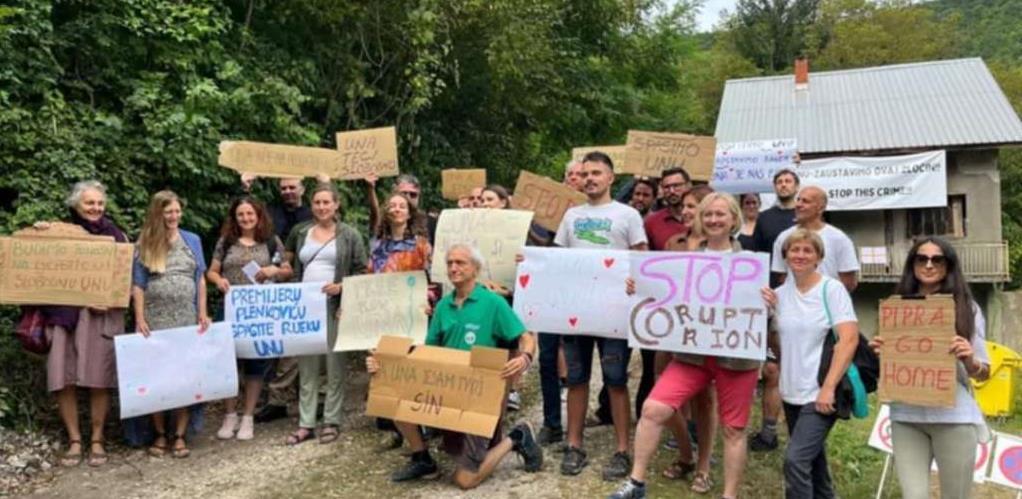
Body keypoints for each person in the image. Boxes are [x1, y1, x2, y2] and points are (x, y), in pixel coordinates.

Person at [611, 192, 765, 499]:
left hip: (736, 358)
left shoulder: (750, 263)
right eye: (707, 214)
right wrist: (640, 286)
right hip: (692, 354)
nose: (713, 220)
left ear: (734, 219)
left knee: (733, 428)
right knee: (654, 409)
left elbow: (759, 314)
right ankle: (636, 484)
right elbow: (664, 297)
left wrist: (768, 304)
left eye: (720, 214)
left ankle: (729, 494)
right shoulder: (685, 261)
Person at [366, 244, 543, 489]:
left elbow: (526, 337)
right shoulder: (442, 306)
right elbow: (426, 353)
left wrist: (524, 358)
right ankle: (422, 458)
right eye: (450, 263)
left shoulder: (493, 303)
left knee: (464, 479)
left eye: (461, 263)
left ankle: (517, 436)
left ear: (476, 269)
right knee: (396, 392)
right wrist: (384, 365)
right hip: (448, 391)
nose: (453, 268)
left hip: (481, 397)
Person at [869, 238, 990, 499]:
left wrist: (969, 359)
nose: (929, 264)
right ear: (913, 264)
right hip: (906, 417)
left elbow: (984, 371)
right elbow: (891, 365)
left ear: (949, 265)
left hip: (954, 418)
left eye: (937, 259)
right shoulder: (896, 307)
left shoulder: (967, 309)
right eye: (921, 258)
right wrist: (881, 350)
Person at [554, 151, 648, 480]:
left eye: (597, 172)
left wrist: (638, 284)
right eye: (586, 173)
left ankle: (623, 450)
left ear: (610, 178)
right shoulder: (570, 216)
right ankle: (574, 445)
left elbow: (641, 260)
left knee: (616, 381)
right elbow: (558, 262)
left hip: (615, 314)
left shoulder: (628, 215)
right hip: (577, 312)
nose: (591, 178)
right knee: (577, 380)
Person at [32, 180, 128, 467]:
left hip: (101, 316)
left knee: (100, 378)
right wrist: (35, 235)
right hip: (64, 316)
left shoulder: (116, 236)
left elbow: (124, 280)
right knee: (64, 379)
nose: (96, 208)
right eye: (90, 203)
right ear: (76, 205)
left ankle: (97, 439)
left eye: (99, 203)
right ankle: (75, 440)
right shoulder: (57, 233)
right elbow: (37, 266)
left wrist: (109, 299)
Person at [769, 228, 858, 499]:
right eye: (794, 250)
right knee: (814, 464)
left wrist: (828, 387)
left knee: (795, 461)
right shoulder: (779, 295)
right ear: (785, 255)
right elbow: (777, 342)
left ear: (819, 257)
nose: (800, 255)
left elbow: (849, 339)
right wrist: (766, 311)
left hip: (819, 391)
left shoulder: (831, 289)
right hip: (790, 391)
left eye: (808, 250)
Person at [283, 184, 367, 445]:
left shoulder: (349, 234)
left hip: (335, 307)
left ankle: (331, 420)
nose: (321, 207)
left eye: (326, 202)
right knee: (306, 367)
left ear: (336, 205)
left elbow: (363, 271)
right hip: (306, 308)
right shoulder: (300, 232)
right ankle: (306, 422)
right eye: (317, 202)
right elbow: (289, 264)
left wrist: (342, 287)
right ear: (312, 205)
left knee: (334, 366)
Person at [132, 190, 211, 459]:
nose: (174, 216)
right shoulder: (145, 242)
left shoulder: (192, 240)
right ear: (158, 213)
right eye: (168, 212)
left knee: (184, 379)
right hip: (155, 321)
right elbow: (138, 285)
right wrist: (140, 318)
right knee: (157, 379)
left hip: (186, 319)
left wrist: (203, 312)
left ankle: (180, 435)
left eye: (177, 211)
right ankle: (159, 434)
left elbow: (200, 278)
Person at [208, 197, 291, 441]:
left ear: (259, 215)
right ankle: (229, 414)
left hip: (259, 312)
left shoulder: (271, 242)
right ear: (235, 218)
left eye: (250, 214)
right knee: (229, 362)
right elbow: (212, 271)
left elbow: (287, 270)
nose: (246, 218)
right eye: (241, 215)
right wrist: (218, 280)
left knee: (255, 365)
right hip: (232, 309)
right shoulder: (226, 242)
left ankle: (248, 417)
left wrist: (275, 270)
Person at [240, 174, 315, 425]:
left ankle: (287, 397)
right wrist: (244, 187)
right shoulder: (270, 212)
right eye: (283, 187)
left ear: (303, 189)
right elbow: (245, 216)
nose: (288, 191)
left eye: (293, 187)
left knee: (296, 344)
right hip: (268, 284)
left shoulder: (312, 213)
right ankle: (275, 400)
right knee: (271, 343)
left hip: (302, 285)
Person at [367, 192, 432, 449]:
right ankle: (392, 429)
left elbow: (432, 279)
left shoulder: (421, 245)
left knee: (411, 369)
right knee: (385, 369)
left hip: (411, 316)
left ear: (409, 211)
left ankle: (417, 430)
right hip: (384, 316)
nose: (396, 209)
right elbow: (368, 280)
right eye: (392, 205)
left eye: (401, 205)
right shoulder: (377, 245)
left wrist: (428, 301)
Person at [747, 169, 799, 453]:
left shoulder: (805, 219)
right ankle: (769, 431)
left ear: (797, 185)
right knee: (771, 368)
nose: (783, 185)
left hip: (801, 301)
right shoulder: (765, 219)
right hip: (768, 301)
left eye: (788, 180)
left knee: (796, 368)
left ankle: (800, 432)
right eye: (778, 181)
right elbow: (755, 258)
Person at [771, 186, 859, 292]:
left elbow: (849, 282)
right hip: (795, 303)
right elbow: (782, 276)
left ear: (820, 208)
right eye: (798, 200)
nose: (798, 205)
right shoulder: (783, 237)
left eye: (805, 201)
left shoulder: (839, 239)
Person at [366, 173, 439, 244]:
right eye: (403, 193)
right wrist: (370, 189)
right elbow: (375, 215)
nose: (408, 197)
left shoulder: (431, 223)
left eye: (413, 194)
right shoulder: (385, 221)